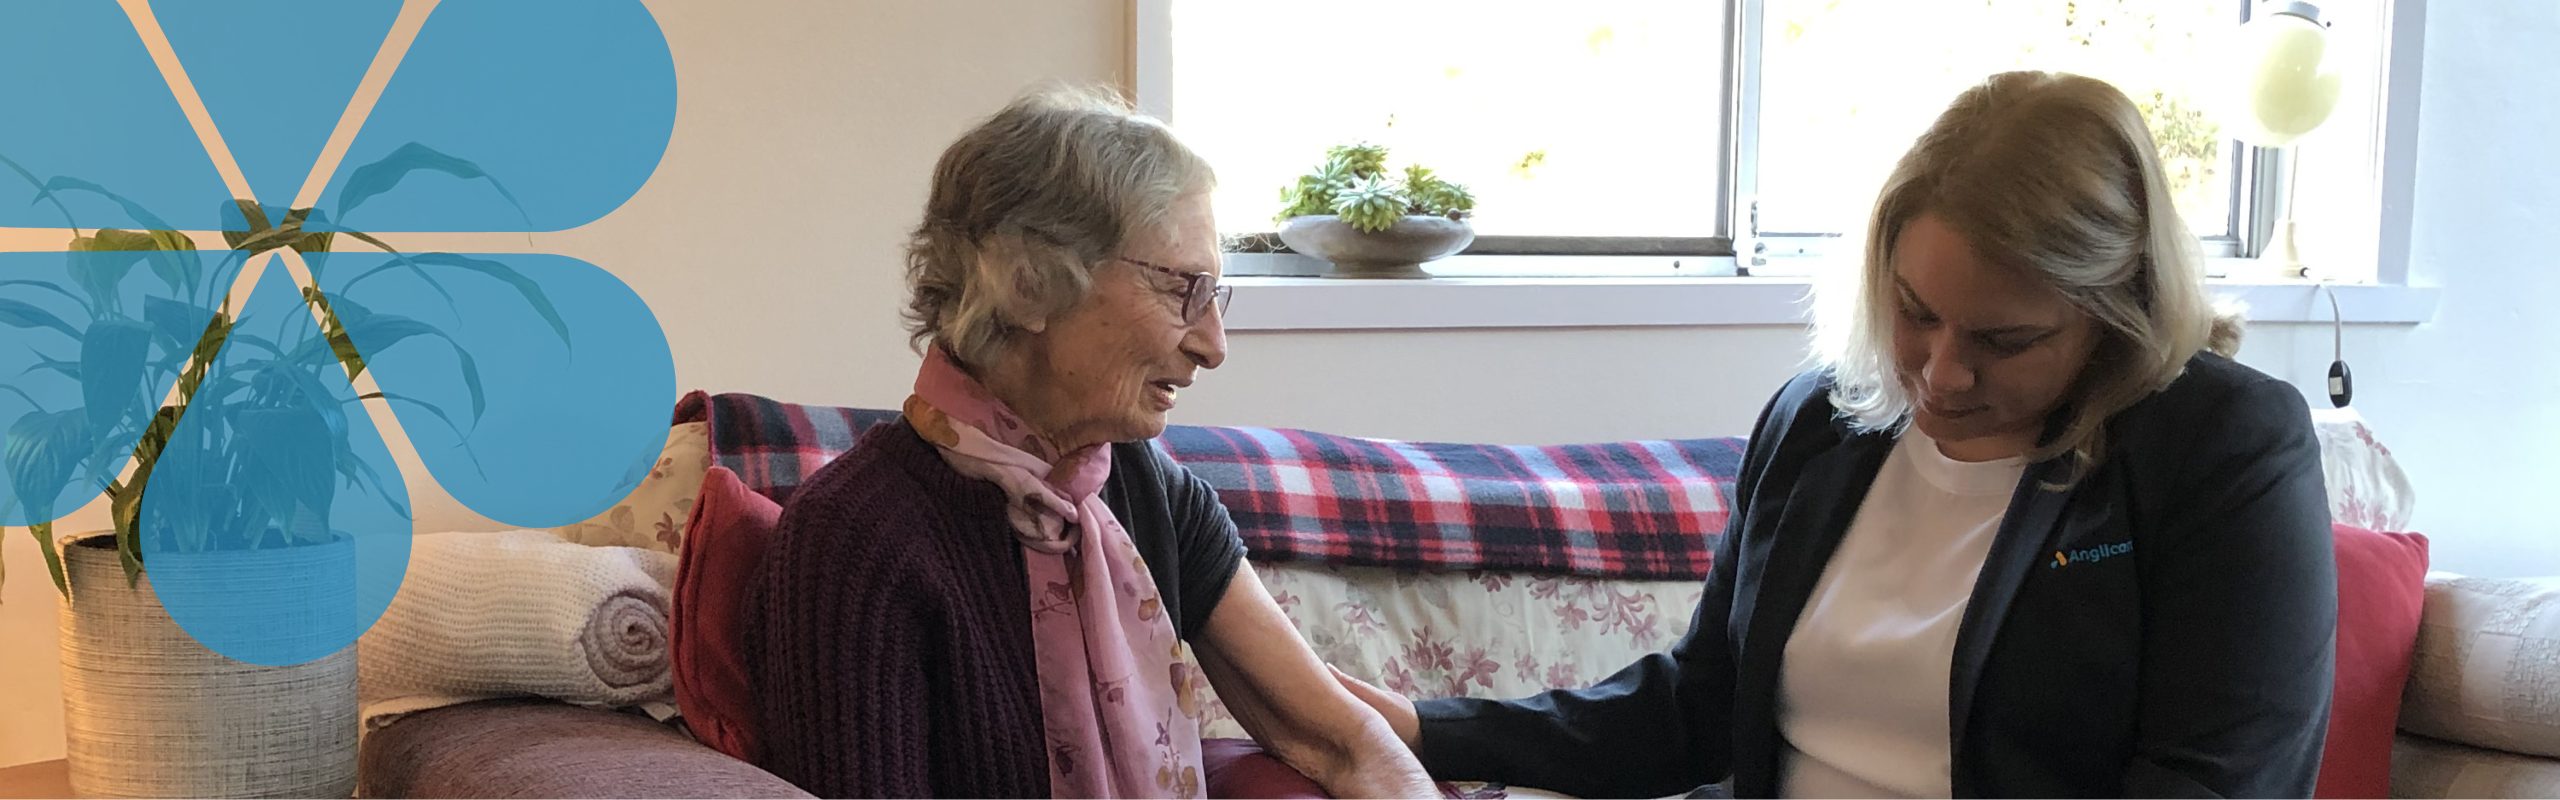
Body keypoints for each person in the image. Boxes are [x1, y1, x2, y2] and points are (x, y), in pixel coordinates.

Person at [1333, 70, 2339, 798]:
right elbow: (1696, 707)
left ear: (2119, 306)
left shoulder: (2221, 448)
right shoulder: (1820, 421)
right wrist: (1422, 723)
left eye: (2004, 338)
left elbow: (2213, 781)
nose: (1942, 372)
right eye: (1914, 310)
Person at [748, 87, 1437, 798]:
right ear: (1027, 286)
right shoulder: (853, 540)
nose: (1214, 344)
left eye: (1215, 297)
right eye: (1183, 290)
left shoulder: (1145, 488)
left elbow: (1346, 743)